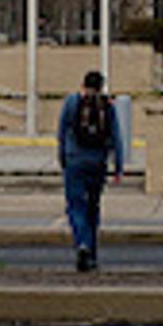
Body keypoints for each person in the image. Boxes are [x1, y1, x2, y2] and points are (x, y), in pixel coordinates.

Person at [57, 69, 122, 271]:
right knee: (93, 208)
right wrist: (118, 166)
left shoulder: (71, 102)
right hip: (97, 163)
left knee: (76, 206)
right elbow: (116, 137)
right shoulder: (107, 107)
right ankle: (92, 255)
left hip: (75, 161)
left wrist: (62, 157)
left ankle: (82, 243)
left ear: (83, 85)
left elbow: (61, 132)